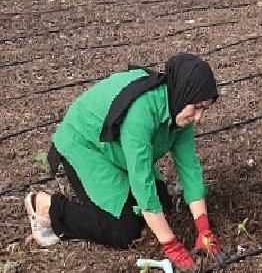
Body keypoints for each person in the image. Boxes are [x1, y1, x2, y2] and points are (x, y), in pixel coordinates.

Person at [24, 54, 224, 271]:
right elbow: (141, 179)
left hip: (117, 150)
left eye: (205, 108)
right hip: (85, 144)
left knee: (162, 203)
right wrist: (171, 245)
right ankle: (47, 206)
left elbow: (189, 167)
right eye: (197, 106)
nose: (199, 117)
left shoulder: (180, 108)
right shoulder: (142, 111)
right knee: (123, 230)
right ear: (184, 93)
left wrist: (204, 229)